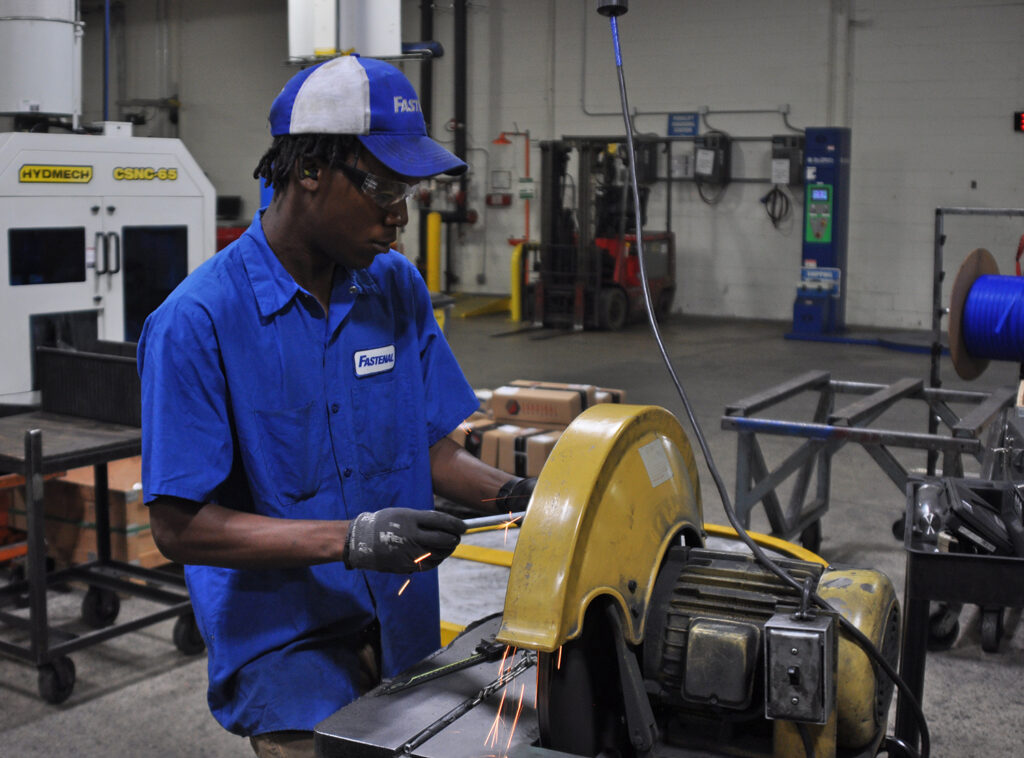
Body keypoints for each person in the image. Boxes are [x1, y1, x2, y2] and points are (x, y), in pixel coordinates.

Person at [137, 55, 535, 757]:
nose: (399, 215)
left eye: (408, 191)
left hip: (404, 628)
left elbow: (425, 446)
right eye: (382, 186)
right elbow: (178, 526)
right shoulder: (198, 322)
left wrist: (516, 496)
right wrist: (352, 539)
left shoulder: (394, 287)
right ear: (309, 170)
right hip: (289, 653)